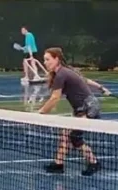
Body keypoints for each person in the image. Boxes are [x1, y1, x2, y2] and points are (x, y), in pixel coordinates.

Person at [37, 47, 111, 176]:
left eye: (48, 59)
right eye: (44, 60)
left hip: (89, 108)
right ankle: (58, 164)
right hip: (80, 109)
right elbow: (85, 80)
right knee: (66, 134)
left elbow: (55, 98)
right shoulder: (64, 72)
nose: (45, 62)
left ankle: (93, 162)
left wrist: (41, 113)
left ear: (57, 59)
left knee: (73, 138)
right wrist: (101, 87)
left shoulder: (62, 74)